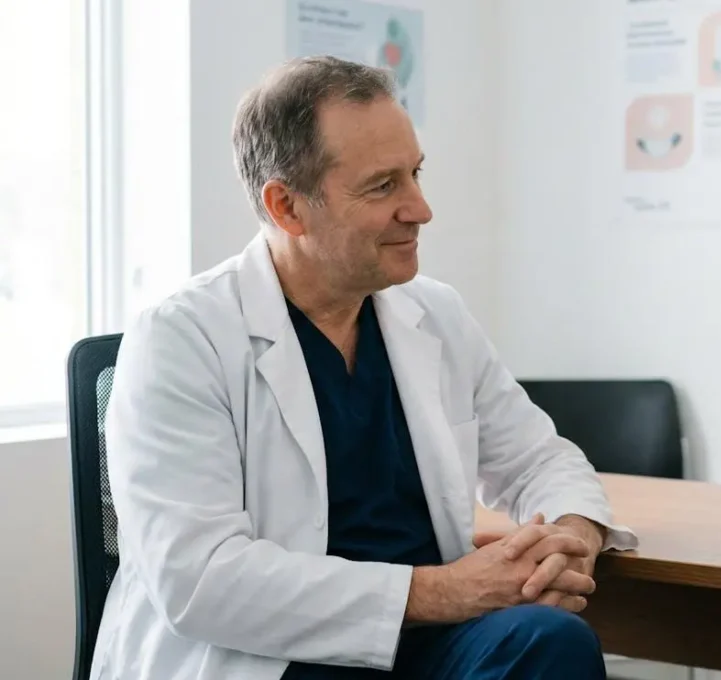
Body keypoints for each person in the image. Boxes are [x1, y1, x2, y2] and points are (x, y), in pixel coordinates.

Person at [95, 56, 638, 680]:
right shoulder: (181, 338)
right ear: (287, 207)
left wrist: (570, 538)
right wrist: (447, 590)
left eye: (415, 174)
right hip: (271, 655)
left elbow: (539, 459)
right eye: (383, 186)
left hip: (426, 643)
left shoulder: (434, 314)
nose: (421, 209)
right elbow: (201, 579)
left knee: (551, 641)